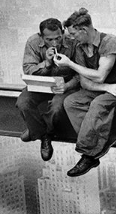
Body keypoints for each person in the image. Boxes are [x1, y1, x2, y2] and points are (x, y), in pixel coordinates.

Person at [52, 8, 116, 176]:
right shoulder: (80, 46)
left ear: (84, 30)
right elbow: (85, 81)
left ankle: (88, 154)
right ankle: (104, 140)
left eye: (73, 34)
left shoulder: (109, 42)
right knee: (71, 102)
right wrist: (105, 88)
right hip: (106, 88)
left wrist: (70, 64)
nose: (71, 38)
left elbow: (99, 76)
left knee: (98, 104)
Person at [17, 18, 79, 161]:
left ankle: (36, 130)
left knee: (57, 108)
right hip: (39, 84)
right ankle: (42, 135)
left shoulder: (73, 42)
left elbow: (80, 72)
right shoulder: (33, 42)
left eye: (58, 38)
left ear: (62, 32)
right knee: (23, 103)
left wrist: (67, 86)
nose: (55, 43)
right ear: (41, 36)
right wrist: (47, 63)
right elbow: (28, 70)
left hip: (65, 85)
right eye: (49, 39)